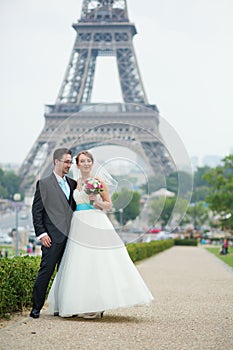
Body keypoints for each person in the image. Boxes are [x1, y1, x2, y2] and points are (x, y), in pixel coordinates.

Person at [46, 150, 154, 319]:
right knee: (79, 264)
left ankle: (96, 303)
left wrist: (97, 202)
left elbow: (109, 205)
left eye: (89, 160)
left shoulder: (99, 181)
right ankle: (76, 303)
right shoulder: (73, 183)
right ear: (78, 164)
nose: (86, 163)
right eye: (83, 161)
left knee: (97, 263)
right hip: (79, 223)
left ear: (92, 163)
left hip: (95, 221)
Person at [30, 148, 77, 319]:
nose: (69, 165)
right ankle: (36, 307)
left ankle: (61, 307)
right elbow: (37, 211)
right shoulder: (43, 183)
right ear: (56, 161)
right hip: (51, 237)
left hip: (71, 237)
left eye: (70, 162)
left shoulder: (72, 183)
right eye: (66, 161)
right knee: (46, 272)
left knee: (66, 274)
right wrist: (42, 234)